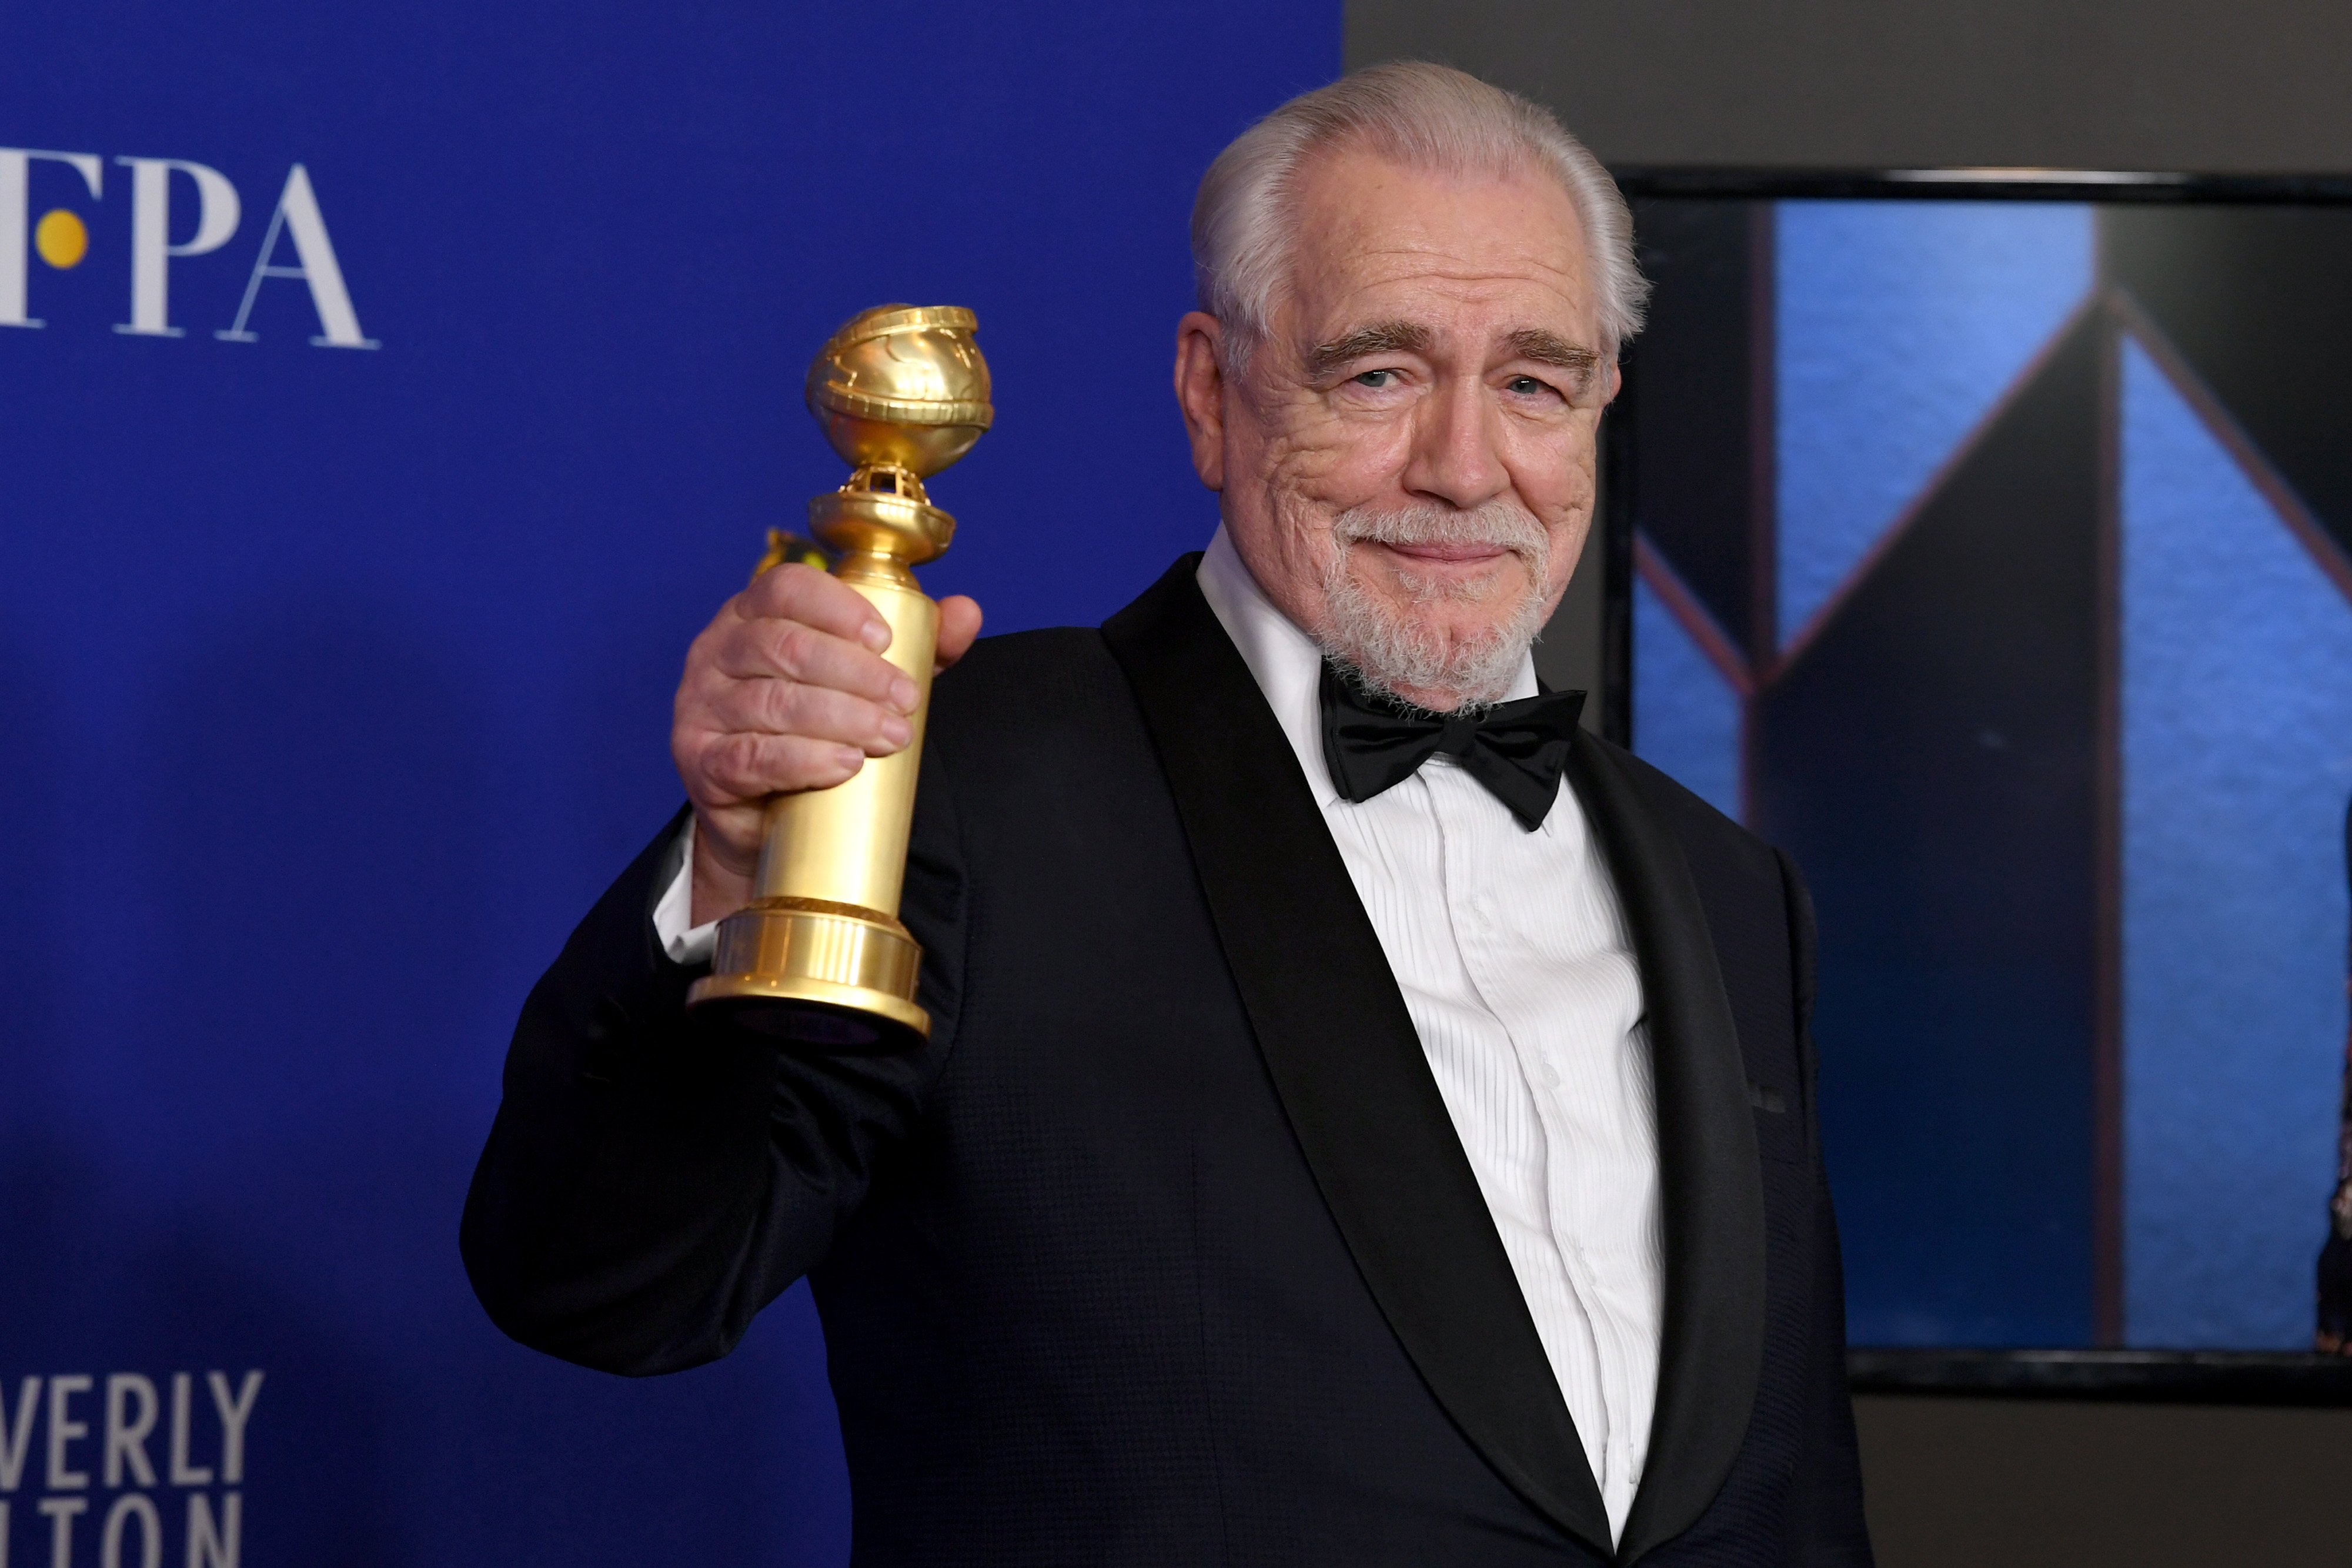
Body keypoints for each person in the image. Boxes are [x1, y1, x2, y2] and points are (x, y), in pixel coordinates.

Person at [463, 62, 1874, 1566]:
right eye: (1378, 373)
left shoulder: (1730, 889)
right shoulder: (964, 783)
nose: (1465, 469)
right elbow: (609, 1287)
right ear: (1212, 390)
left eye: (1532, 381)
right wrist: (746, 863)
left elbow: (1793, 1496)